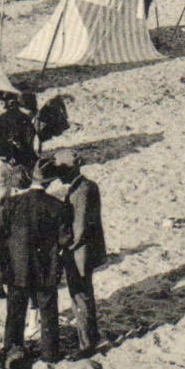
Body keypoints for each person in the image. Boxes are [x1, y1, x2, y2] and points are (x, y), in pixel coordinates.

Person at [0, 162, 71, 362]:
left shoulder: (13, 203)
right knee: (48, 311)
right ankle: (49, 354)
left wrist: (11, 251)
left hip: (17, 268)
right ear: (50, 182)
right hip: (45, 269)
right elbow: (65, 239)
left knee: (15, 311)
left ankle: (12, 350)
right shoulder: (57, 206)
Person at [54, 149, 104, 355]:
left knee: (80, 297)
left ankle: (87, 343)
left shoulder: (81, 191)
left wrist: (64, 248)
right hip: (88, 250)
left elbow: (80, 228)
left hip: (79, 254)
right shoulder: (87, 186)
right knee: (83, 296)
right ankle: (90, 336)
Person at [0, 95, 38, 174]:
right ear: (17, 105)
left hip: (3, 153)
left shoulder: (1, 118)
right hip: (22, 153)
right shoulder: (24, 117)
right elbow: (32, 134)